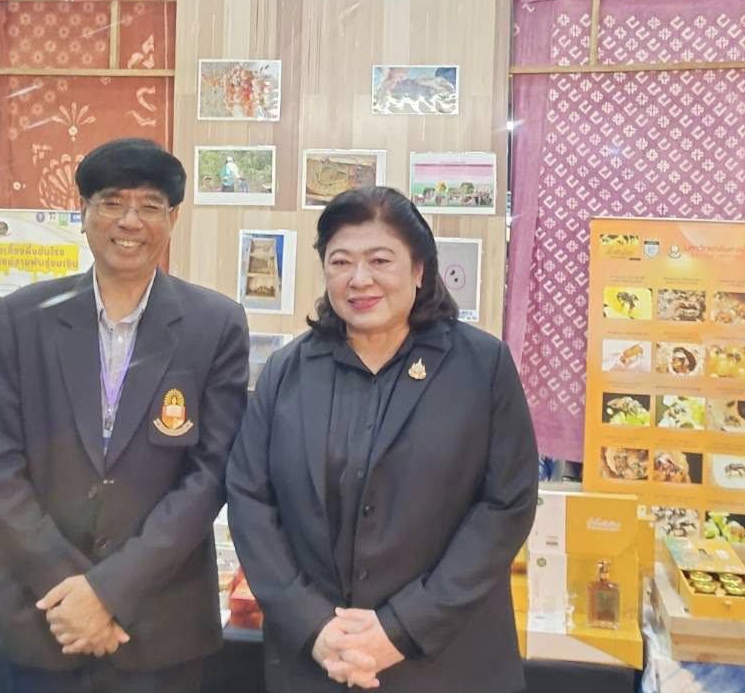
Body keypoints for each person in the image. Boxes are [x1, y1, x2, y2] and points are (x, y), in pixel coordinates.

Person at [227, 186, 539, 693]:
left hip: (446, 662)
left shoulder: (481, 366)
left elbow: (507, 504)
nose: (359, 279)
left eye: (380, 260)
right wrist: (313, 625)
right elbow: (249, 498)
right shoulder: (288, 370)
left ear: (419, 270)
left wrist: (402, 628)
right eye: (340, 262)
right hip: (316, 661)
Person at [0, 138, 249, 693]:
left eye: (150, 206)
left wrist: (108, 592)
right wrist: (70, 592)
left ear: (172, 218)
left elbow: (211, 473)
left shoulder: (215, 324)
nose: (130, 221)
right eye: (112, 202)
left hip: (159, 624)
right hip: (41, 615)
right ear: (84, 212)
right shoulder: (21, 318)